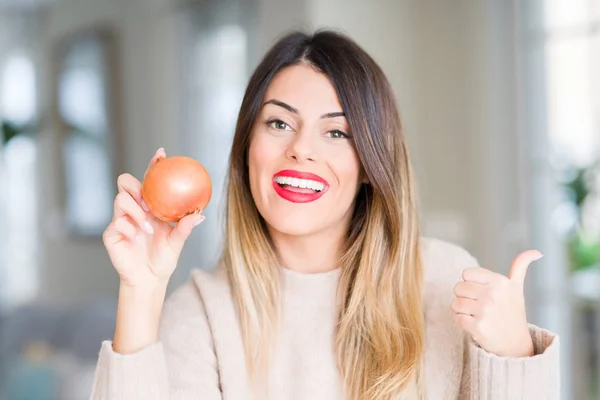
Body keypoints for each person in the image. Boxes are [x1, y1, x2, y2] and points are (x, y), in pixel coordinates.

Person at [90, 30, 559, 400]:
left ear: (371, 166)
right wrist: (141, 290)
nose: (301, 150)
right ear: (246, 149)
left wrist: (513, 353)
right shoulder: (200, 316)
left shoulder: (445, 281)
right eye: (278, 123)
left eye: (337, 133)